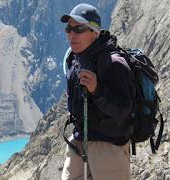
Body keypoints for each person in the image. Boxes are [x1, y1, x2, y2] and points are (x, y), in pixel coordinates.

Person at [60, 3, 134, 180]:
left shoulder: (113, 64)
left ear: (94, 32)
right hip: (79, 141)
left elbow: (124, 111)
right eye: (68, 29)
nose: (71, 34)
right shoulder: (74, 59)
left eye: (78, 29)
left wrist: (97, 90)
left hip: (108, 146)